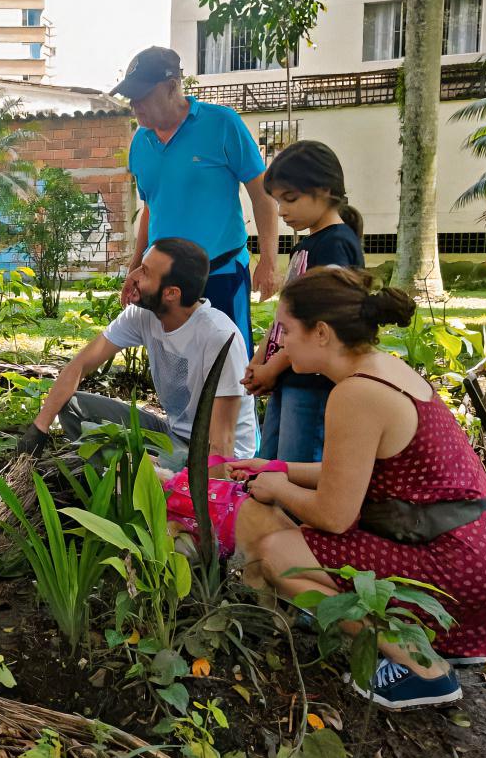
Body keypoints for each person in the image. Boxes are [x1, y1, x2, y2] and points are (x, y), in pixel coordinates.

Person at [230, 267, 486, 711]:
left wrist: (274, 487)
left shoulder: (355, 394)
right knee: (290, 539)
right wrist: (276, 466)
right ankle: (439, 637)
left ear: (322, 333)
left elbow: (334, 514)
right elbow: (349, 472)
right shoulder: (381, 368)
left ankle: (423, 668)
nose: (281, 344)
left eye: (286, 330)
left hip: (460, 564)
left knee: (275, 553)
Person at [18, 238, 256, 472]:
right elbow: (79, 365)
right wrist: (39, 428)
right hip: (172, 436)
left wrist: (212, 493)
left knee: (146, 468)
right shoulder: (143, 315)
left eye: (145, 273)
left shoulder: (218, 336)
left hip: (212, 457)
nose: (134, 277)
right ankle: (132, 477)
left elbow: (223, 443)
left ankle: (141, 480)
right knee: (72, 405)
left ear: (171, 293)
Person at [112, 46, 280, 352]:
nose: (135, 105)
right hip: (165, 286)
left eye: (142, 95)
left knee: (230, 362)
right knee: (177, 366)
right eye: (131, 97)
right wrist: (135, 266)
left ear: (172, 87)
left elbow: (262, 193)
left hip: (221, 273)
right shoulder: (140, 142)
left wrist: (268, 258)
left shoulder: (222, 124)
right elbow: (153, 206)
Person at [243, 141, 365, 462]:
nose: (281, 210)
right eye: (278, 201)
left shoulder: (336, 246)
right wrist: (260, 361)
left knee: (293, 473)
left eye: (290, 199)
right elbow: (287, 318)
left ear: (324, 190)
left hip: (312, 384)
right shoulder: (306, 246)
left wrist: (272, 367)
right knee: (268, 467)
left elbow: (316, 325)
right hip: (289, 376)